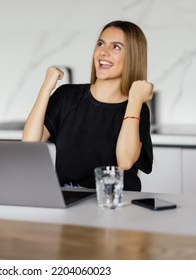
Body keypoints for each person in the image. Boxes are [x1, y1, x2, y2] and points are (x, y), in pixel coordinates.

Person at [21, 20, 154, 191]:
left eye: (116, 47)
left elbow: (125, 161)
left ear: (132, 57)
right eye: (100, 44)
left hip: (114, 203)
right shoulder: (67, 96)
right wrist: (46, 87)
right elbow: (29, 143)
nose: (103, 52)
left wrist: (135, 100)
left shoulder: (135, 109)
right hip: (68, 200)